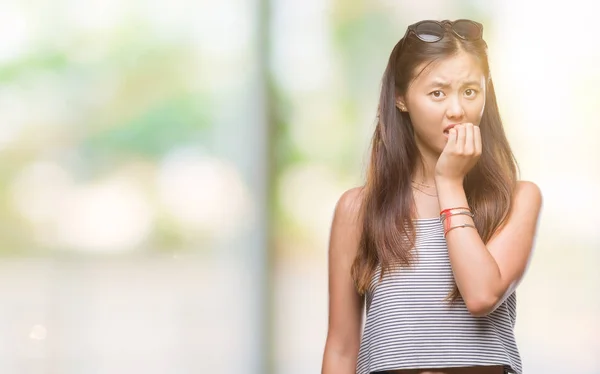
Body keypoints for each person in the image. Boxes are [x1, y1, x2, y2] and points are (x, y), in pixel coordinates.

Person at [320, 19, 542, 374]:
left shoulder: (517, 200)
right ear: (401, 98)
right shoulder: (359, 209)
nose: (457, 110)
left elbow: (481, 295)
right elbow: (342, 349)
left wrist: (450, 183)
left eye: (470, 91)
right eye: (437, 93)